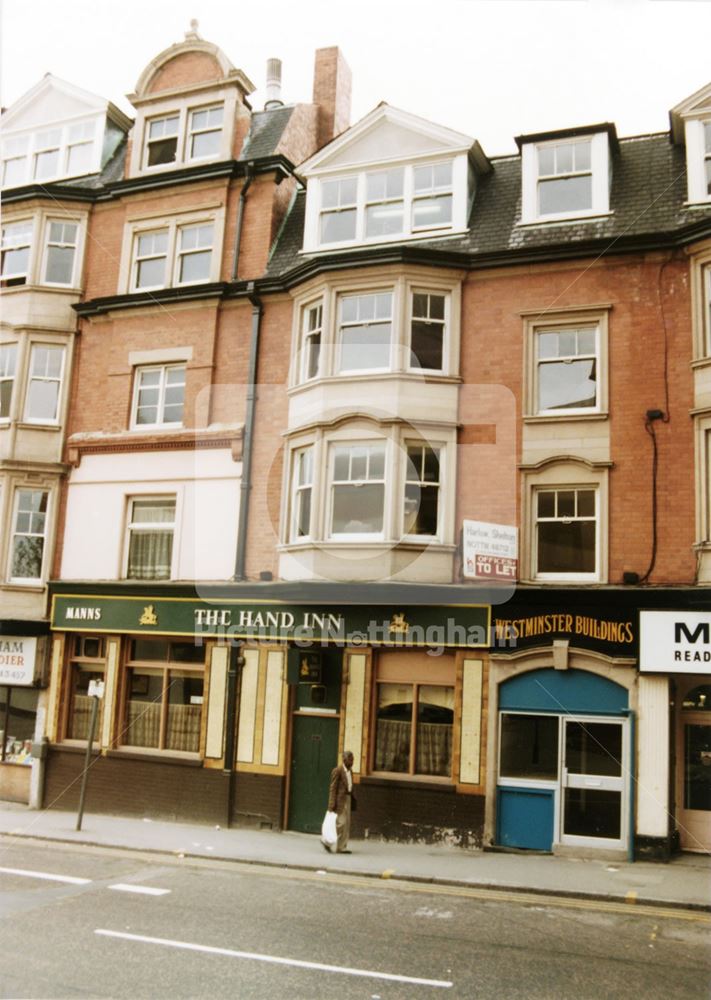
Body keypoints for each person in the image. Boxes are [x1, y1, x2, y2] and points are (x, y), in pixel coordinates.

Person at [326, 750, 355, 853]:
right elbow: (332, 788)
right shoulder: (337, 770)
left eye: (353, 760)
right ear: (344, 760)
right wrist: (331, 804)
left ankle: (341, 847)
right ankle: (327, 841)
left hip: (348, 798)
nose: (352, 762)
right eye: (350, 760)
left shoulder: (350, 771)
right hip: (340, 800)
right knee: (341, 823)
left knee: (346, 824)